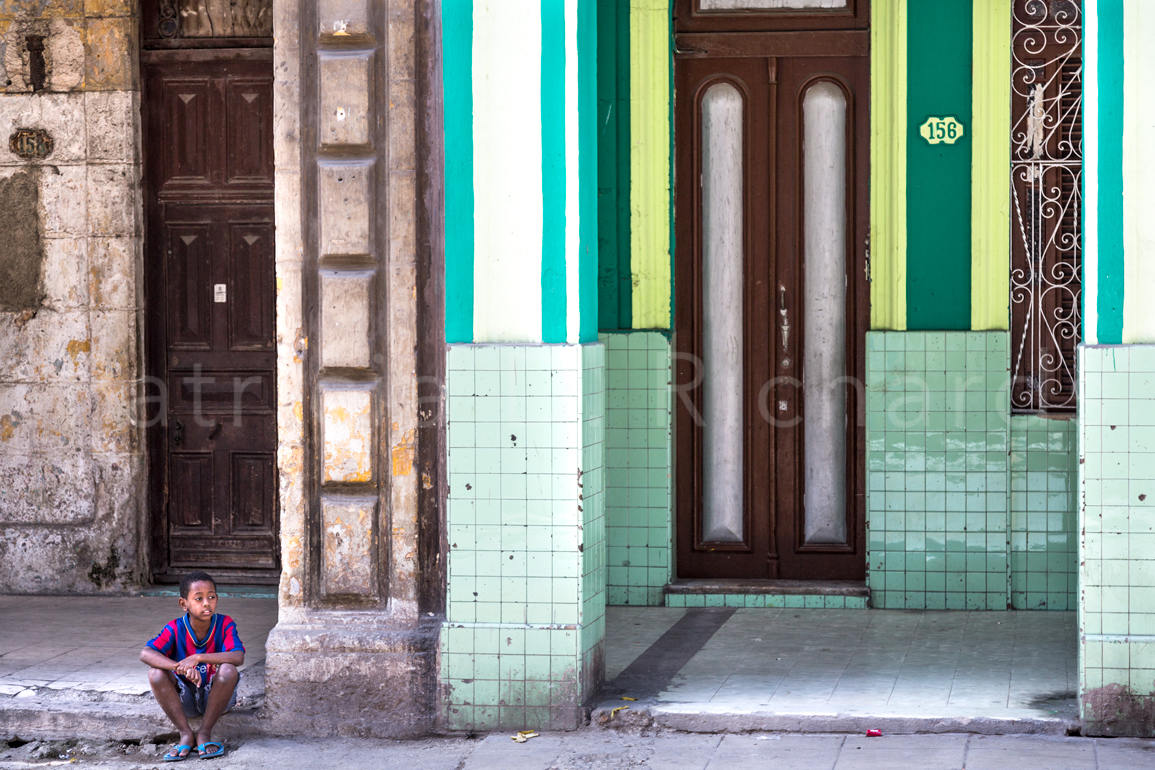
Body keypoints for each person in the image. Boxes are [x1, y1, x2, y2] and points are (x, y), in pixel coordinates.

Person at [139, 571, 245, 761]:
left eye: (211, 597)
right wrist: (180, 667)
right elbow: (145, 654)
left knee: (229, 669)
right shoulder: (175, 628)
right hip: (184, 700)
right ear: (183, 604)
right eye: (198, 598)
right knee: (155, 673)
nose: (206, 603)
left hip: (218, 698)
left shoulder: (224, 624)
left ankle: (204, 732)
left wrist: (199, 657)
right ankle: (186, 734)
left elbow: (238, 656)